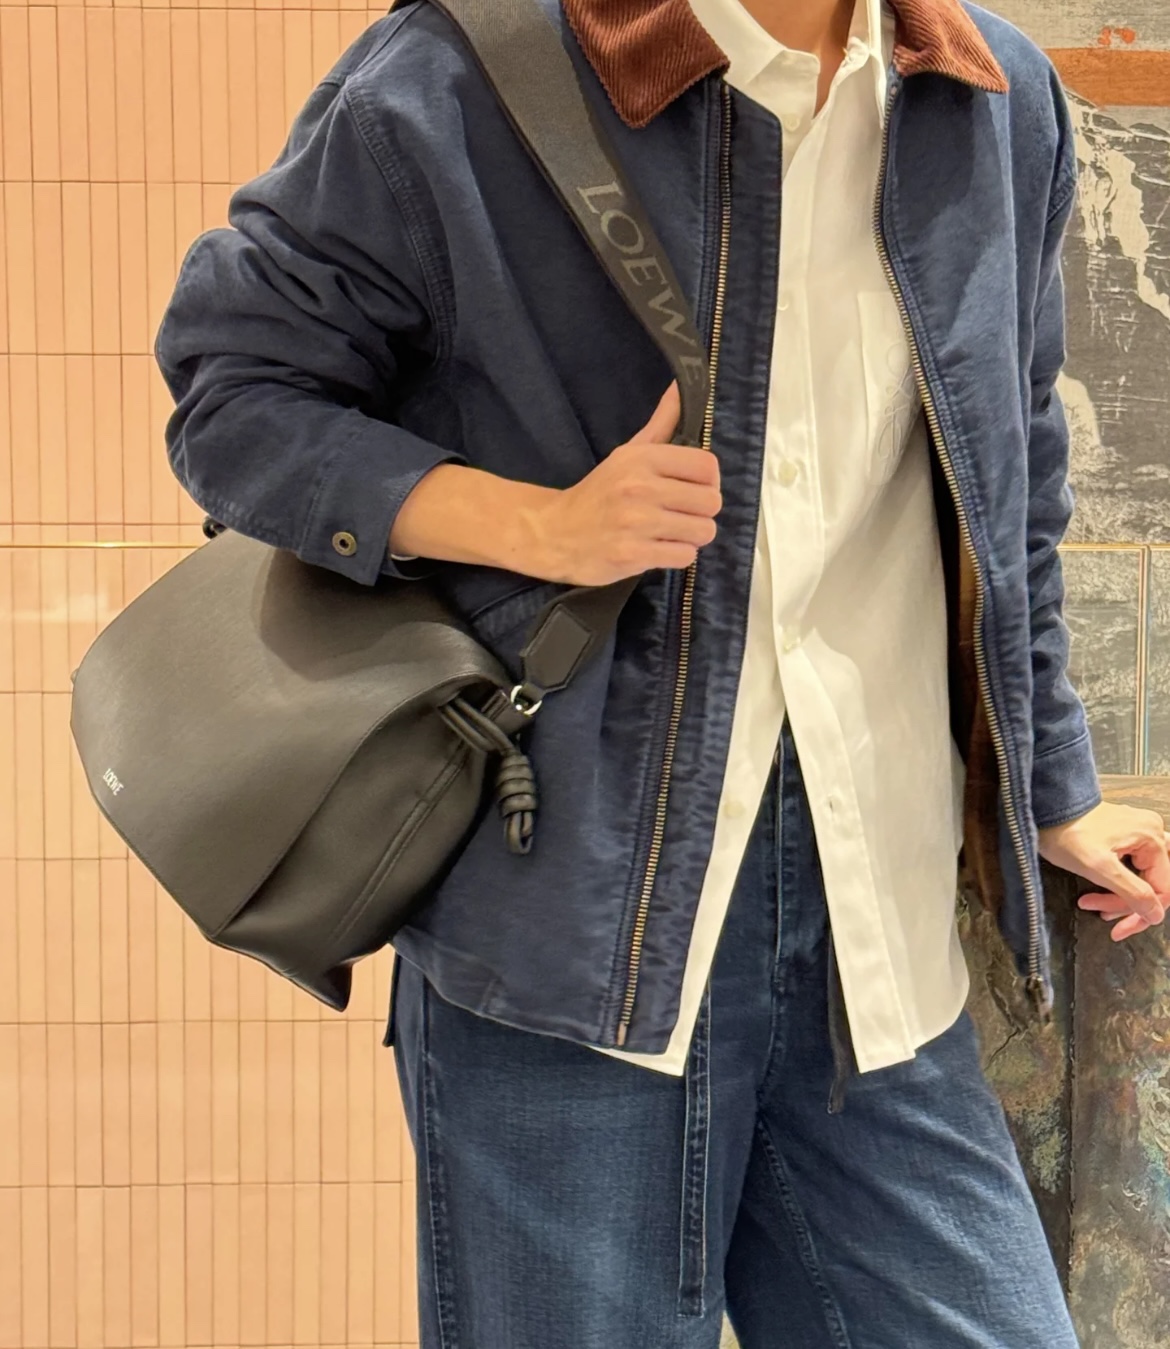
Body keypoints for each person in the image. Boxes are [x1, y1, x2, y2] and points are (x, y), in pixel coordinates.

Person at [154, 0, 1170, 1343]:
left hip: (877, 926)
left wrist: (1050, 785)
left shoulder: (993, 101)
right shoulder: (469, 68)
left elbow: (1013, 474)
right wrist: (540, 525)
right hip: (574, 928)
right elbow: (234, 391)